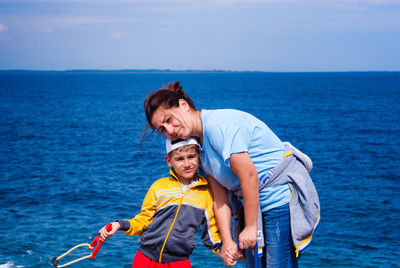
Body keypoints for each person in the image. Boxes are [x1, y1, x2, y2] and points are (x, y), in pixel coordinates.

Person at [143, 81, 320, 268]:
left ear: (184, 105)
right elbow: (220, 198)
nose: (170, 131)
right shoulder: (198, 147)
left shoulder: (218, 127)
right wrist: (227, 241)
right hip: (253, 207)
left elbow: (249, 175)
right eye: (162, 129)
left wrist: (251, 227)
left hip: (279, 202)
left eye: (169, 120)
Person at [98, 137, 222, 268]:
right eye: (179, 159)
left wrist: (226, 250)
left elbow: (211, 232)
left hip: (179, 262)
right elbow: (143, 220)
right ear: (169, 161)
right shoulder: (159, 187)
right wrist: (119, 224)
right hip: (145, 259)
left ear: (199, 157)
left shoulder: (206, 195)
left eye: (191, 157)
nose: (186, 164)